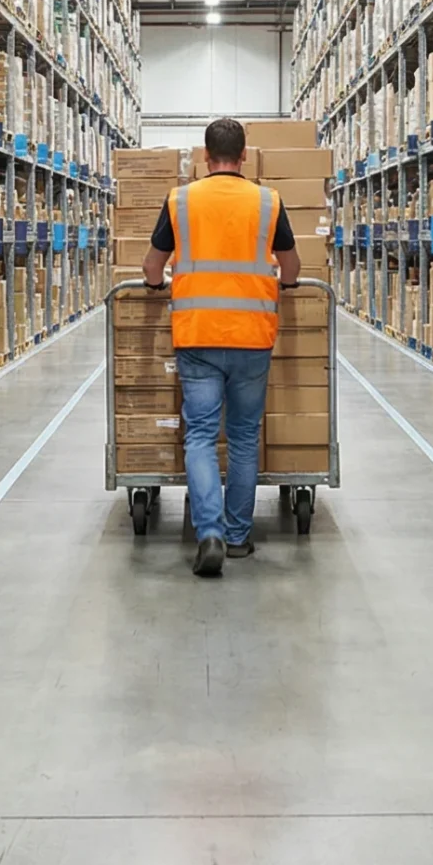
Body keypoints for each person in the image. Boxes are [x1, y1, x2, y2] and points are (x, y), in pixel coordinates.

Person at [140, 117, 299, 577]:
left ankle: (208, 532)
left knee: (201, 436)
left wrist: (157, 285)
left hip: (197, 336)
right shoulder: (268, 201)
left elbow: (152, 267)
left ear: (204, 157)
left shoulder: (180, 200)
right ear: (245, 155)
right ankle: (237, 536)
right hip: (252, 336)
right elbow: (291, 267)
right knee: (245, 436)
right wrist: (284, 283)